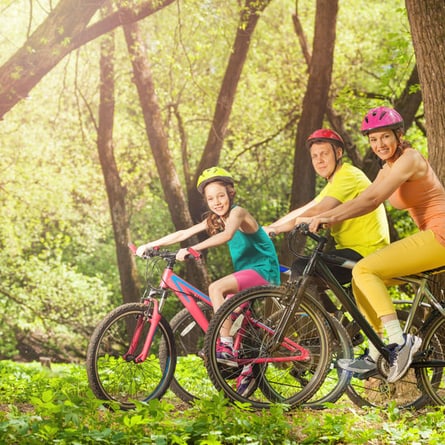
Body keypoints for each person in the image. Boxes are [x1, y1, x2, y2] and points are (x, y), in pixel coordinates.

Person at [307, 106, 445, 383]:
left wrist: (328, 216)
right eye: (373, 139)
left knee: (364, 270)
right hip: (431, 235)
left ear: (398, 135)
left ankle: (399, 341)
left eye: (385, 137)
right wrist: (326, 215)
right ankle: (376, 350)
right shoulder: (387, 168)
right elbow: (363, 199)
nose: (379, 144)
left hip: (441, 234)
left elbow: (372, 201)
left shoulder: (410, 159)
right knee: (361, 279)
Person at [136, 166, 280, 396]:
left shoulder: (238, 212)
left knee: (216, 288)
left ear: (230, 193)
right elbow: (183, 232)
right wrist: (153, 245)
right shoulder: (216, 219)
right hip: (246, 276)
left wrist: (193, 248)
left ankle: (224, 345)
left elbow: (227, 235)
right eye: (211, 198)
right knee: (234, 319)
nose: (217, 202)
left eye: (221, 196)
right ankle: (248, 366)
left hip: (263, 271)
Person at [265, 128, 390, 290]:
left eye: (324, 153)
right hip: (353, 252)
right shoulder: (333, 183)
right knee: (311, 273)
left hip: (367, 253)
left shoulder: (348, 175)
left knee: (302, 267)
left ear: (338, 153)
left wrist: (279, 229)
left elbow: (319, 210)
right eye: (314, 156)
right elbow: (307, 208)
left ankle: (307, 315)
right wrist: (271, 228)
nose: (319, 160)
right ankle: (324, 315)